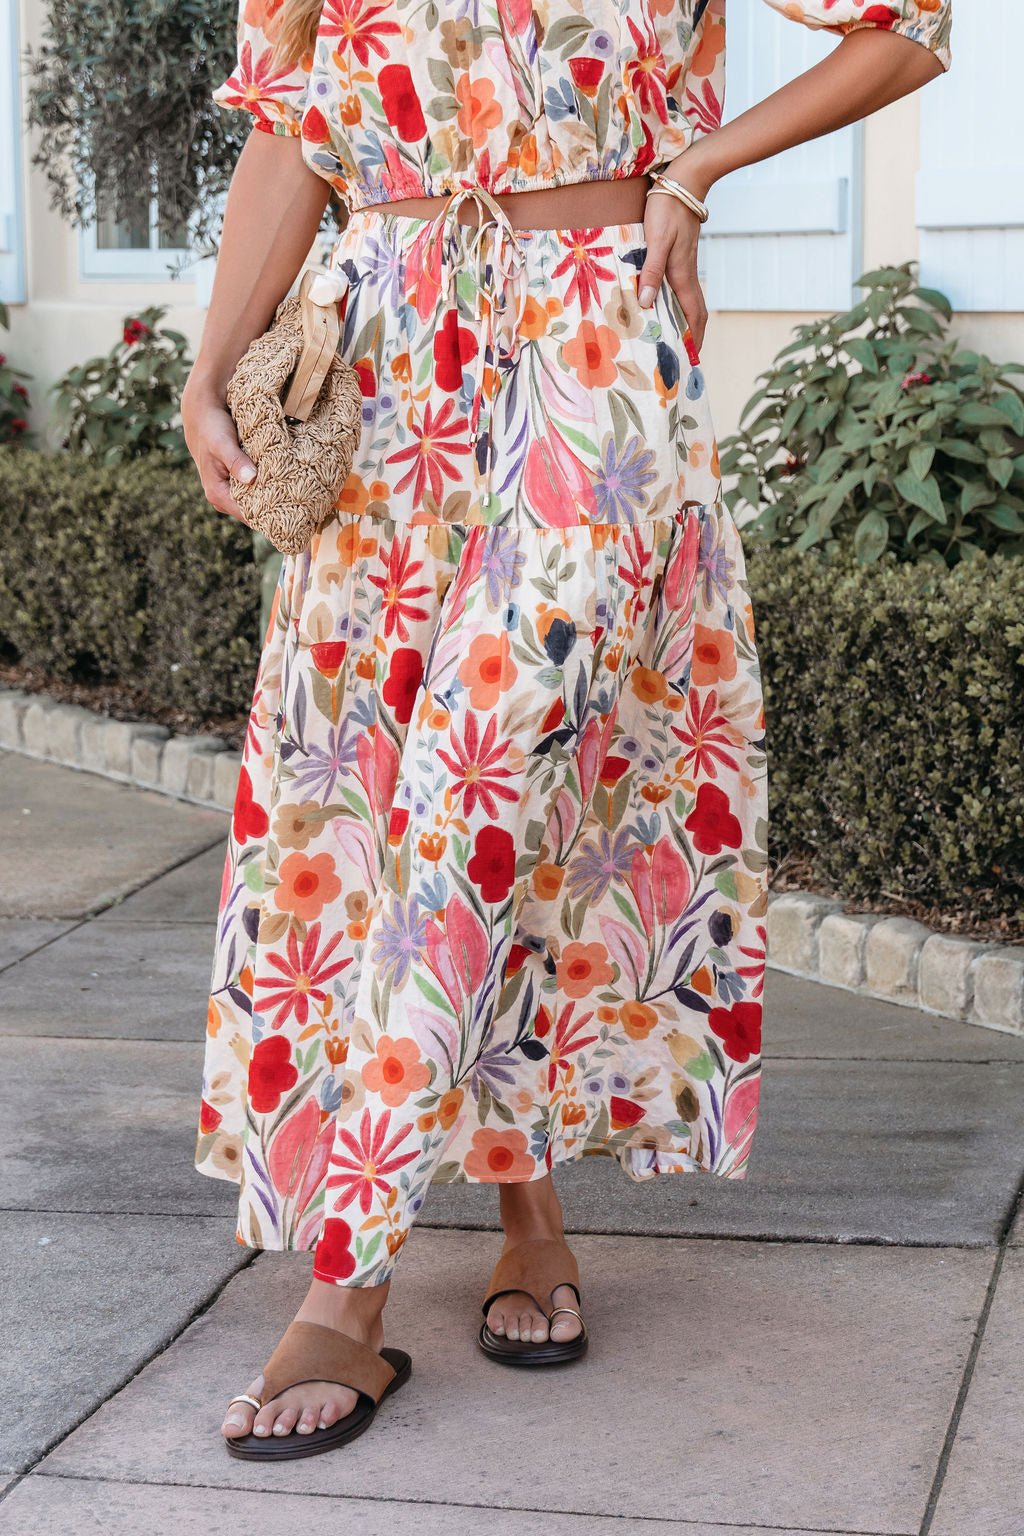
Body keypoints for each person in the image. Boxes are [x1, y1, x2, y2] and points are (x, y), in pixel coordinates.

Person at [182, 0, 951, 1461]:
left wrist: (696, 169)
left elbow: (908, 27)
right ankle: (525, 1198)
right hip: (385, 357)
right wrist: (210, 368)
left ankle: (347, 1286)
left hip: (592, 342)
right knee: (386, 793)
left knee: (497, 759)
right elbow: (294, 124)